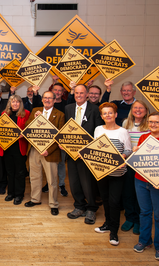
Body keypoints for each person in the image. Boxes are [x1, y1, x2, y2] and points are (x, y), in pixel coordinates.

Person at [92, 102, 132, 246]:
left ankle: (114, 232)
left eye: (110, 112)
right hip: (101, 172)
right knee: (105, 200)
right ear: (102, 116)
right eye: (105, 113)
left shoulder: (123, 131)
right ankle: (107, 224)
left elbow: (128, 150)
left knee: (114, 202)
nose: (108, 115)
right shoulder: (97, 129)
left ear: (115, 114)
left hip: (117, 173)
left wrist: (122, 156)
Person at [133, 112, 159, 261]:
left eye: (156, 122)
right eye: (150, 122)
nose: (153, 125)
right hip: (140, 180)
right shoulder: (143, 138)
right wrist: (135, 153)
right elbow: (141, 160)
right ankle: (145, 240)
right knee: (145, 212)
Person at [65, 84, 103, 224]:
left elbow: (98, 131)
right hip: (71, 153)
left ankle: (92, 209)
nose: (79, 95)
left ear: (87, 94)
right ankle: (79, 206)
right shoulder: (68, 108)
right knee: (74, 182)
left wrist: (88, 150)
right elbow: (65, 129)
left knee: (88, 183)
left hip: (87, 154)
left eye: (82, 93)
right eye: (76, 93)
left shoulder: (95, 109)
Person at [25, 91, 64, 215]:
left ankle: (53, 204)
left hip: (50, 152)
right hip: (34, 149)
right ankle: (35, 199)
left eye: (50, 98)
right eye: (45, 98)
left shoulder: (60, 115)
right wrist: (35, 119)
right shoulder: (35, 110)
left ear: (54, 100)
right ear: (42, 100)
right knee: (34, 176)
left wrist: (49, 150)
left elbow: (60, 136)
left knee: (51, 179)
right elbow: (27, 128)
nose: (47, 100)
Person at [120, 100, 150, 235]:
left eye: (141, 108)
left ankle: (138, 220)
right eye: (135, 108)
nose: (138, 110)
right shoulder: (126, 123)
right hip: (128, 162)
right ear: (131, 110)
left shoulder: (150, 123)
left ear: (146, 110)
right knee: (127, 192)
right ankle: (130, 218)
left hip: (143, 164)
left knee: (140, 194)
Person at [0, 95, 30, 205]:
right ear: (10, 103)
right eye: (13, 102)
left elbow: (29, 129)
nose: (15, 104)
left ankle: (19, 194)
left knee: (20, 173)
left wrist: (24, 134)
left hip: (19, 147)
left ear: (20, 103)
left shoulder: (26, 113)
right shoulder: (4, 114)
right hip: (7, 148)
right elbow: (0, 129)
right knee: (10, 172)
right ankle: (10, 193)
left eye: (17, 102)